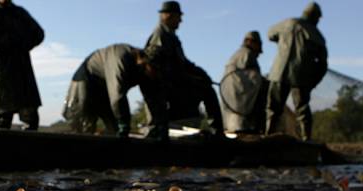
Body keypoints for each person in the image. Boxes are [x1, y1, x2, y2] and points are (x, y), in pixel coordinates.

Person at [143, 1, 224, 140]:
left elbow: (183, 63)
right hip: (167, 89)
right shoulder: (160, 35)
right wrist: (188, 78)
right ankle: (217, 132)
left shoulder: (170, 36)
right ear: (168, 16)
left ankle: (215, 132)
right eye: (178, 16)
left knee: (205, 87)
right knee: (206, 90)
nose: (180, 20)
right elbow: (154, 66)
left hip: (175, 85)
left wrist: (200, 73)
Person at [0, 0, 45, 131]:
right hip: (2, 77)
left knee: (31, 120)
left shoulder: (20, 13)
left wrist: (20, 43)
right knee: (3, 120)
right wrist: (19, 40)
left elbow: (38, 34)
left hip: (24, 75)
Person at [62, 44, 156, 138]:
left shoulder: (148, 72)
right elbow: (117, 96)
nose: (158, 73)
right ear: (145, 62)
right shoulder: (121, 58)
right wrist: (124, 123)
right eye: (155, 68)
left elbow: (153, 99)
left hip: (106, 87)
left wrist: (157, 126)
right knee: (81, 124)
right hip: (87, 79)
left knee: (114, 129)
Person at [265, 2, 328, 141]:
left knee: (273, 109)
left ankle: (268, 137)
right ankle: (306, 139)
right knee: (302, 110)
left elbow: (270, 34)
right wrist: (313, 82)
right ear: (315, 17)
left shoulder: (287, 23)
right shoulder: (316, 34)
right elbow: (323, 64)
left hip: (278, 73)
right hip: (301, 77)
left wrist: (284, 40)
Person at [221, 31, 268, 134]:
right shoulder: (247, 54)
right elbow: (255, 80)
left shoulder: (236, 55)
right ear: (251, 42)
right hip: (242, 106)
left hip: (231, 106)